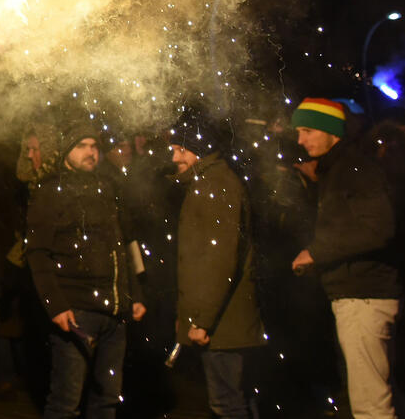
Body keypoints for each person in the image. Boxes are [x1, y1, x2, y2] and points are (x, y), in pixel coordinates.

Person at [25, 121, 146, 419]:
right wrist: (56, 305)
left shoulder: (106, 186)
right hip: (77, 311)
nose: (90, 152)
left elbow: (120, 244)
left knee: (106, 400)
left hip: (114, 312)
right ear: (67, 151)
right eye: (81, 146)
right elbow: (37, 253)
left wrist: (135, 295)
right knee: (66, 402)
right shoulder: (50, 190)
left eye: (94, 146)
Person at [290, 98, 400, 419]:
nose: (300, 140)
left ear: (331, 131)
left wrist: (316, 252)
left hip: (364, 297)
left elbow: (379, 228)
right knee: (381, 392)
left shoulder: (354, 168)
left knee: (371, 405)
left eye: (308, 130)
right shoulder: (340, 169)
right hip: (361, 294)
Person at [167, 111, 264, 419]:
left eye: (178, 149)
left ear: (197, 148)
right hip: (224, 319)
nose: (173, 158)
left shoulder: (215, 186)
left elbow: (217, 260)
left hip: (223, 322)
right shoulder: (211, 182)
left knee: (227, 404)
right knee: (236, 401)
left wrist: (201, 320)